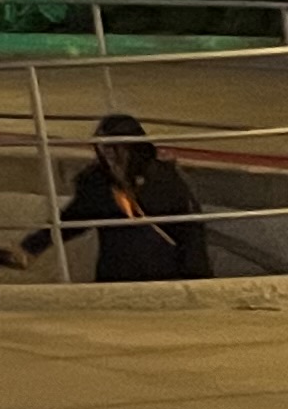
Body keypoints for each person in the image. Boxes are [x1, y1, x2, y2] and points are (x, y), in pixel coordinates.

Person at [59, 110, 212, 281]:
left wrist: (198, 277)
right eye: (103, 146)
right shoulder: (97, 181)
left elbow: (190, 233)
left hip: (163, 271)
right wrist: (32, 246)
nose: (107, 152)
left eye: (113, 146)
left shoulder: (163, 178)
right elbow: (77, 215)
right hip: (116, 273)